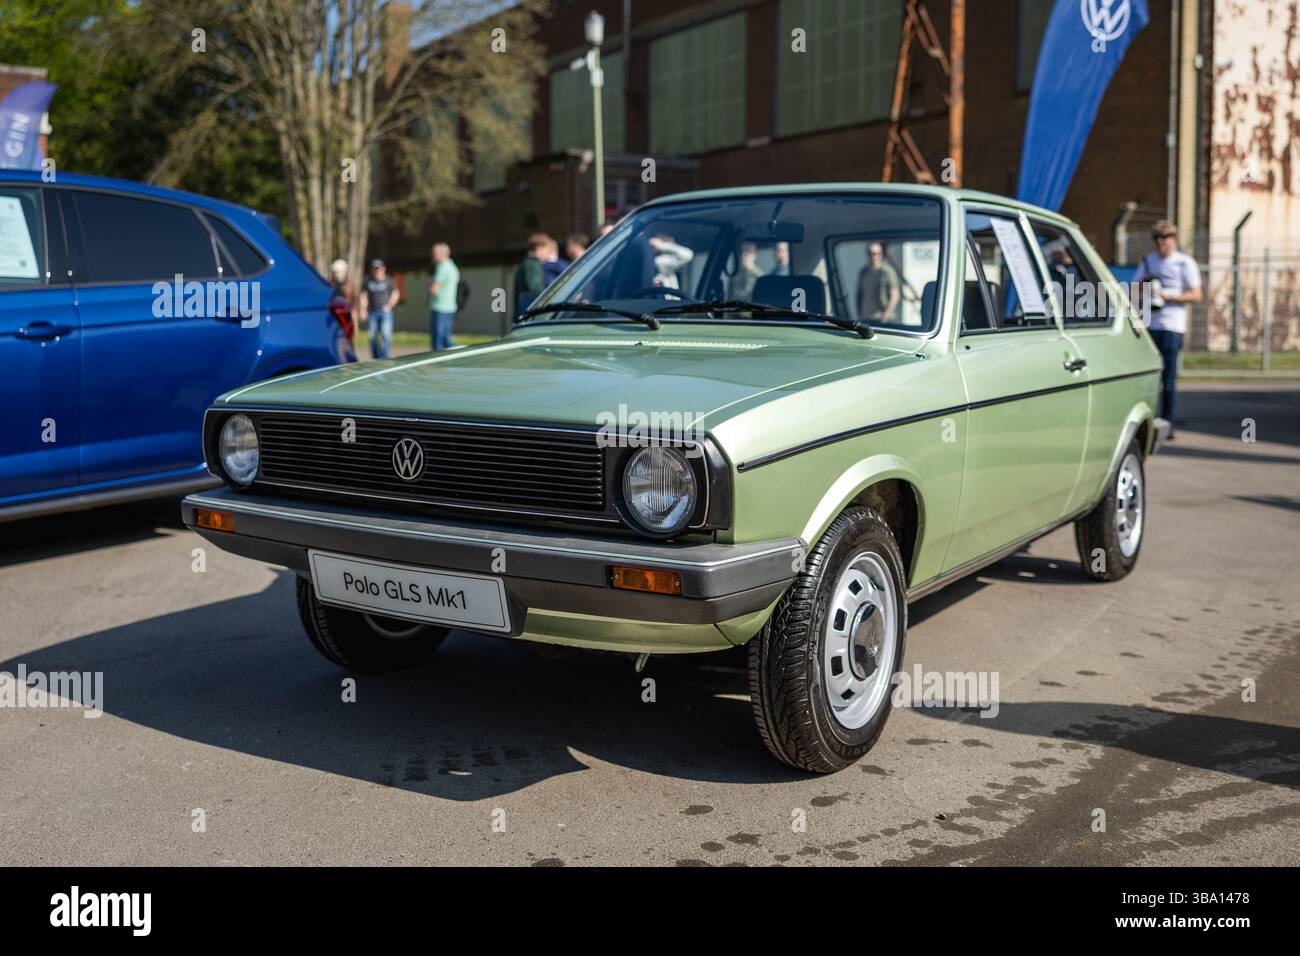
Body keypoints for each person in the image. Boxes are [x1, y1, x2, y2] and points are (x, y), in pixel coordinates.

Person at [1132, 220, 1201, 438]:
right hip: (1150, 325)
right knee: (1150, 376)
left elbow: (1196, 294)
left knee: (1168, 379)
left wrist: (1171, 297)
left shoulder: (1184, 263)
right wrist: (1144, 286)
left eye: (1166, 238)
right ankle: (1146, 422)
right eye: (1157, 239)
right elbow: (1133, 289)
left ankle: (1167, 422)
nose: (1161, 243)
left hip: (1172, 325)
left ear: (1175, 240)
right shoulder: (1147, 261)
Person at [361, 259, 399, 359]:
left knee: (386, 334)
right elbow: (363, 296)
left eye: (378, 269)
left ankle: (385, 357)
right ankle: (376, 358)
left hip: (385, 311)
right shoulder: (368, 281)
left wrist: (389, 305)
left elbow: (395, 293)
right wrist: (363, 310)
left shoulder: (389, 280)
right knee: (372, 336)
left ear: (383, 269)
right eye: (374, 269)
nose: (376, 271)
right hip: (372, 311)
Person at [856, 242, 900, 321]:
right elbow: (860, 294)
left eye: (876, 253)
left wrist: (885, 317)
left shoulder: (887, 271)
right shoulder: (863, 272)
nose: (874, 256)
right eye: (871, 253)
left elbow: (895, 296)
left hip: (882, 318)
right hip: (866, 318)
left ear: (881, 254)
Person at [429, 242, 460, 351]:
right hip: (450, 307)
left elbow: (434, 289)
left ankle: (461, 353)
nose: (432, 255)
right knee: (445, 339)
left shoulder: (442, 268)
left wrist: (429, 285)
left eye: (435, 253)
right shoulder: (452, 266)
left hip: (440, 308)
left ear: (443, 254)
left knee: (438, 342)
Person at [514, 233, 550, 322]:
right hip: (530, 317)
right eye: (547, 250)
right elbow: (536, 291)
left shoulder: (525, 263)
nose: (548, 254)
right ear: (539, 248)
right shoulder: (533, 264)